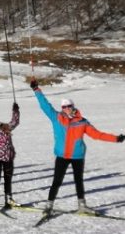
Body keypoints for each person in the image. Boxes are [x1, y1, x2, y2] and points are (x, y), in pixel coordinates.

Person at [31, 78, 125, 215]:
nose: (67, 109)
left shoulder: (82, 121)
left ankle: (82, 206)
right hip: (62, 155)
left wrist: (116, 138)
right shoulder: (56, 117)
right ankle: (48, 206)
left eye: (69, 106)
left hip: (77, 156)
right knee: (57, 181)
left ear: (73, 106)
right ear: (62, 109)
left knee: (78, 181)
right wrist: (36, 90)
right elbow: (45, 105)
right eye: (64, 107)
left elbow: (97, 134)